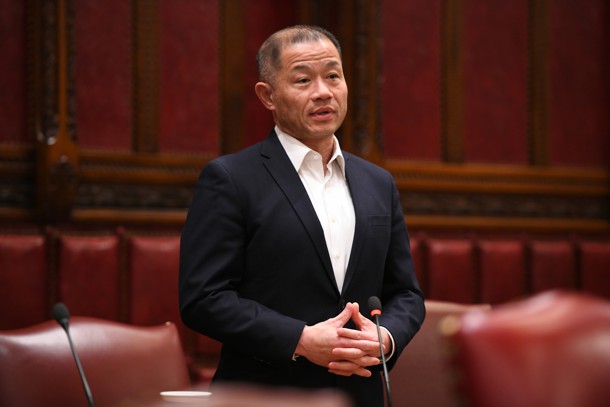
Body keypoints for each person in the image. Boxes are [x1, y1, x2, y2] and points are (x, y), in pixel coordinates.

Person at [179, 25, 425, 407]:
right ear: (268, 96)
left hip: (359, 394)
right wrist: (300, 339)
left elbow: (406, 293)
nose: (323, 91)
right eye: (303, 80)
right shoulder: (230, 178)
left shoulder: (379, 183)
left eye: (332, 76)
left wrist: (385, 338)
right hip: (264, 395)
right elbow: (204, 298)